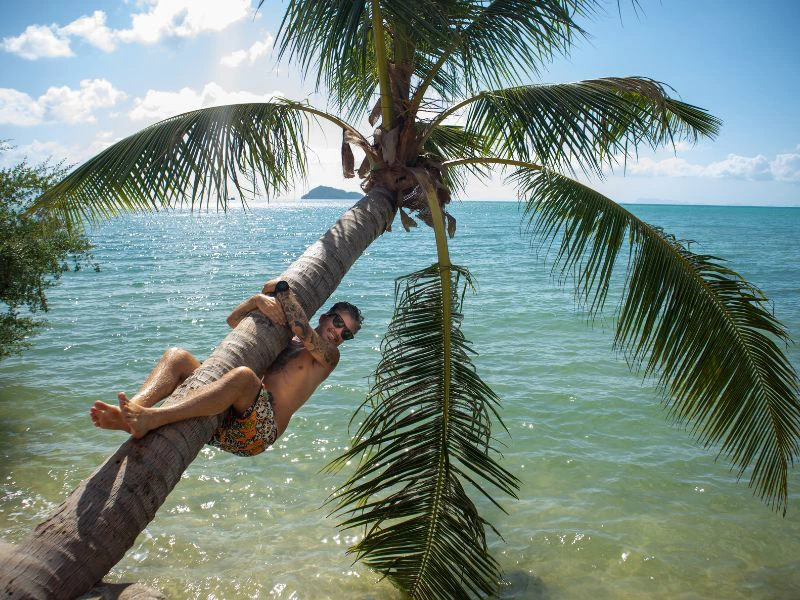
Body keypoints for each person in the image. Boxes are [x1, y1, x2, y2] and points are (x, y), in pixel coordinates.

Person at [89, 280, 363, 456]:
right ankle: (132, 412)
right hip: (232, 408)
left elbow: (303, 330)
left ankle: (153, 418)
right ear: (326, 316)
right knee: (177, 357)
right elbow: (235, 323)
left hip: (258, 433)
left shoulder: (327, 358)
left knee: (245, 377)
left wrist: (281, 290)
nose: (339, 333)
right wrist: (256, 301)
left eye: (347, 334)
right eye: (338, 322)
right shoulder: (285, 339)